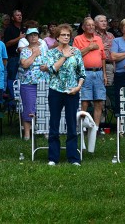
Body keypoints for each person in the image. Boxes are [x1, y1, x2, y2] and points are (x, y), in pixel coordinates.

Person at [45, 23, 85, 166]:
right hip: (55, 91)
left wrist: (78, 87)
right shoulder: (52, 53)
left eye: (68, 35)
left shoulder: (76, 51)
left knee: (72, 124)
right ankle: (53, 158)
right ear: (57, 36)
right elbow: (52, 69)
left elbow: (82, 73)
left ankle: (73, 157)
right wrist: (64, 56)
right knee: (54, 124)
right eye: (63, 35)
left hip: (72, 91)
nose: (66, 37)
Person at [74, 17, 106, 128]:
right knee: (85, 101)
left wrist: (104, 74)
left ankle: (95, 128)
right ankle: (82, 127)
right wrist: (89, 47)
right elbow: (75, 55)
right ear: (83, 27)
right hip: (85, 73)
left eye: (93, 25)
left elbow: (103, 58)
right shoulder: (78, 39)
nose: (91, 27)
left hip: (98, 73)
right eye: (88, 25)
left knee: (99, 101)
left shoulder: (99, 39)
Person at [18, 27, 49, 140]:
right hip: (28, 83)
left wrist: (47, 67)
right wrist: (34, 54)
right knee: (29, 107)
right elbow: (25, 64)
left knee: (45, 108)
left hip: (44, 83)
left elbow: (50, 63)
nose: (33, 37)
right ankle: (27, 134)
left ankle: (45, 131)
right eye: (31, 35)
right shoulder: (25, 50)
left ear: (38, 36)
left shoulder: (45, 49)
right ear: (27, 37)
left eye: (35, 35)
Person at [4, 10, 25, 95]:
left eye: (20, 15)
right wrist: (19, 38)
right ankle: (11, 99)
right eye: (17, 15)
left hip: (24, 57)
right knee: (12, 78)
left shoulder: (24, 29)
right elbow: (6, 44)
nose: (19, 16)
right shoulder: (9, 29)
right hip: (13, 57)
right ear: (13, 18)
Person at [95, 15, 115, 86]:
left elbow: (114, 52)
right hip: (96, 66)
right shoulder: (92, 35)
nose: (104, 23)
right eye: (101, 21)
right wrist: (101, 47)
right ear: (96, 23)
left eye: (105, 21)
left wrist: (114, 66)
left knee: (109, 88)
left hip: (109, 65)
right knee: (97, 88)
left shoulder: (111, 35)